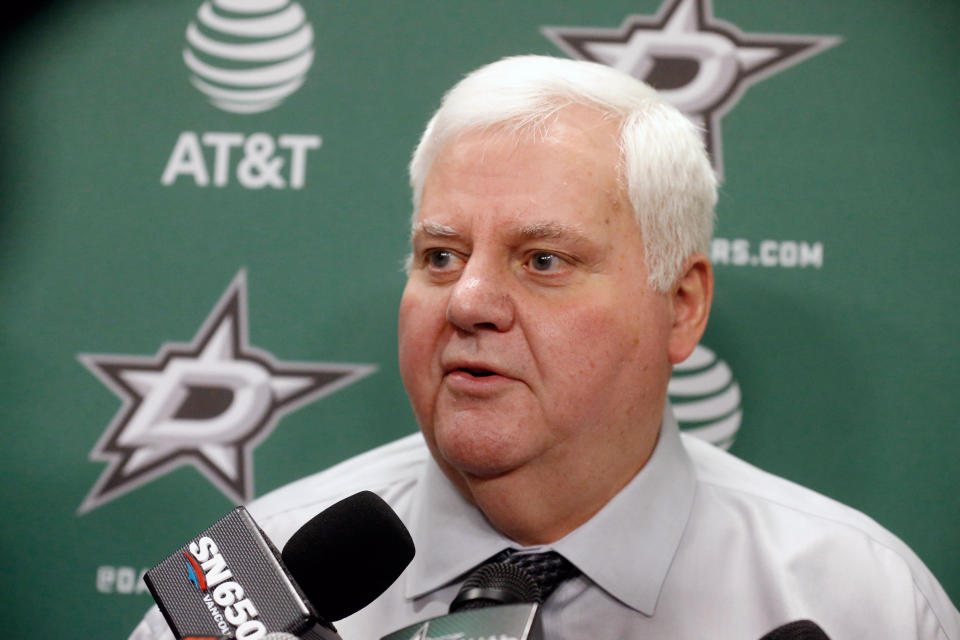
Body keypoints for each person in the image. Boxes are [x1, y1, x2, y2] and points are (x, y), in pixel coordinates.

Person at [130, 55, 959, 640]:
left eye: (544, 260)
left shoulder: (864, 602)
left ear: (681, 306)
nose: (470, 302)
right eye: (440, 255)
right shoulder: (249, 585)